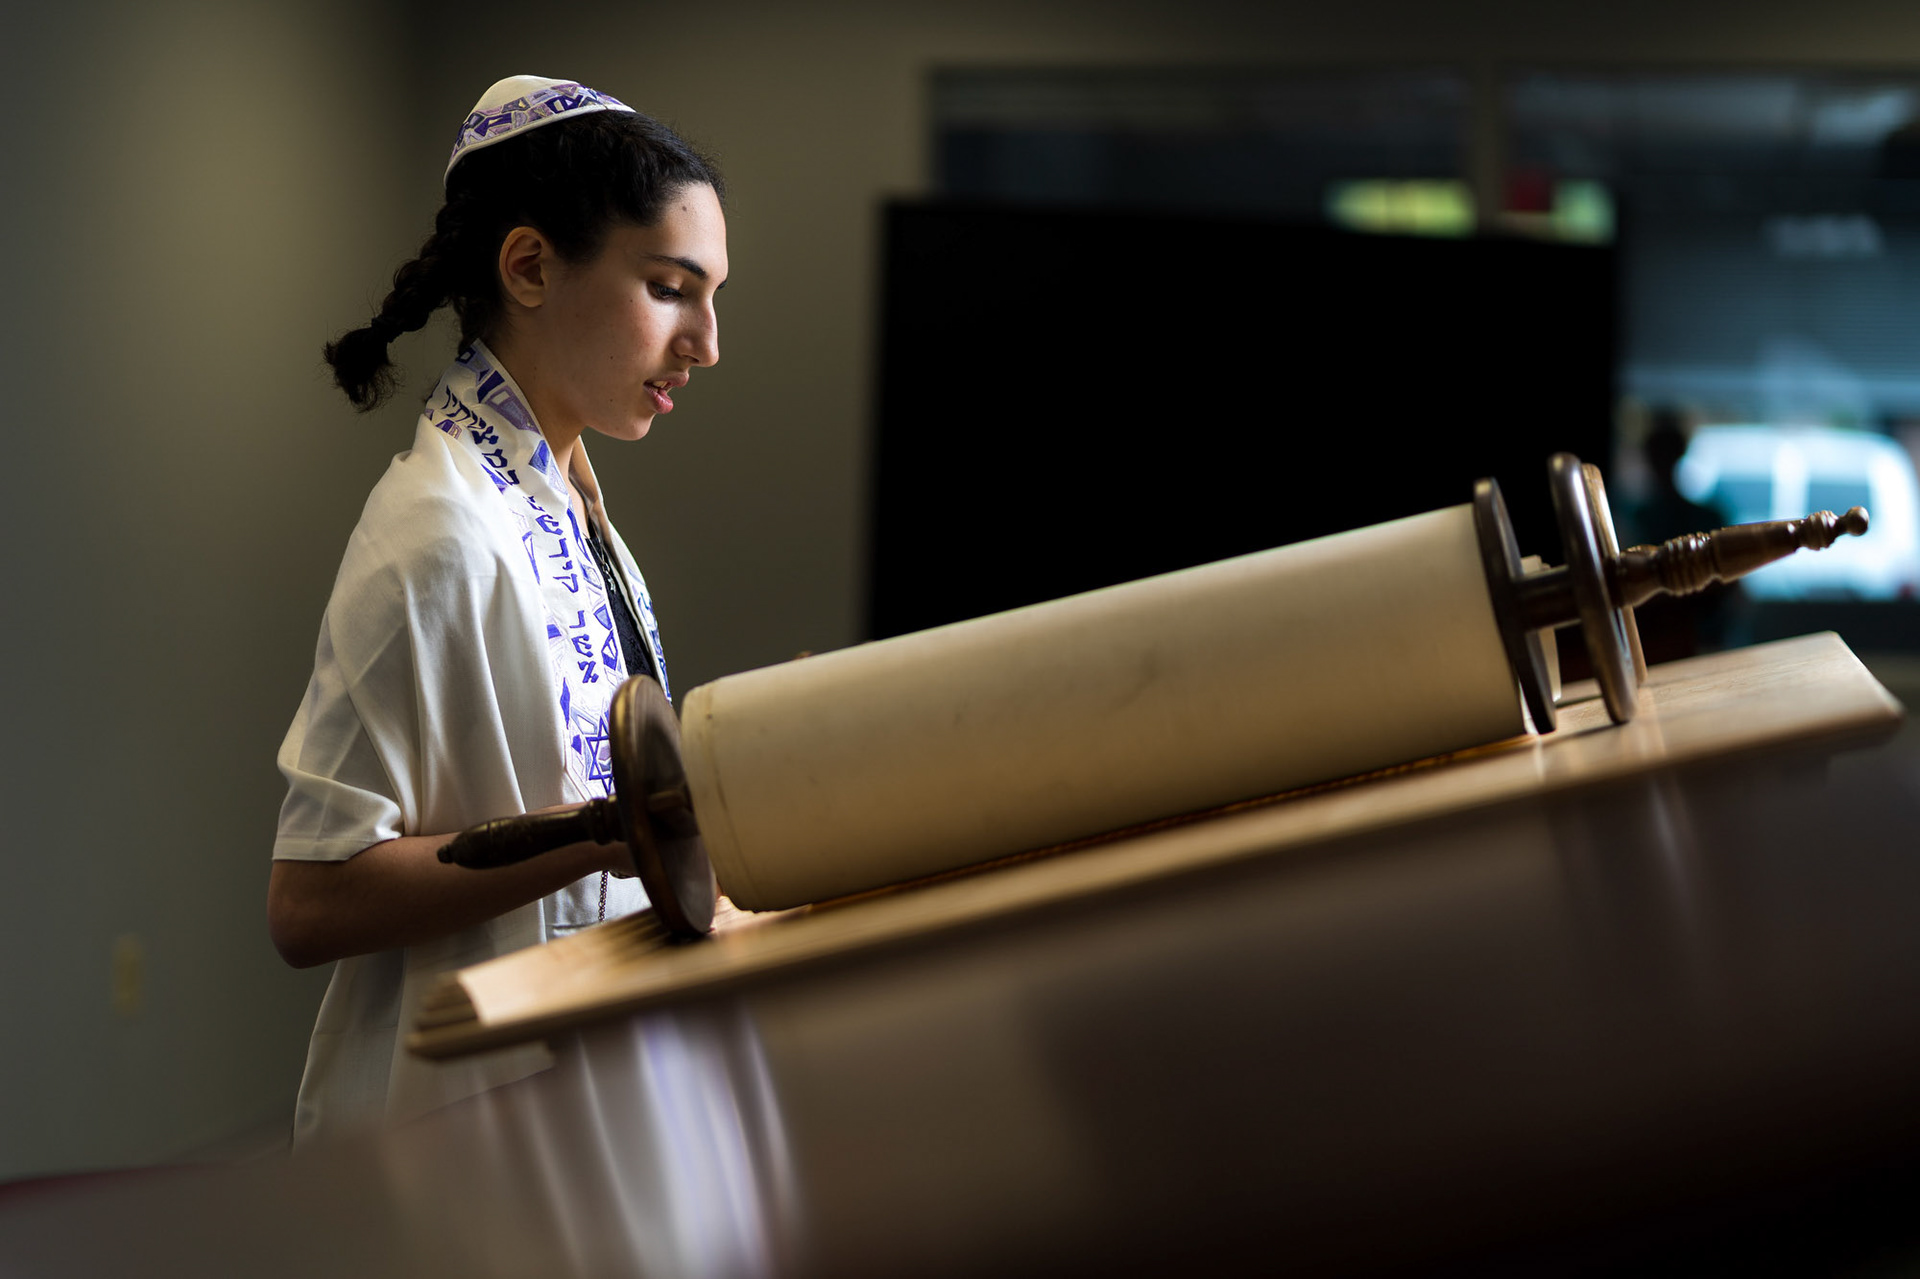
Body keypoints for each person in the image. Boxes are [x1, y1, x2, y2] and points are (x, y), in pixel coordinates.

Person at [267, 75, 726, 1145]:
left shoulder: (568, 506)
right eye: (671, 288)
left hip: (592, 1102)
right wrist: (613, 833)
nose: (707, 342)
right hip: (464, 1137)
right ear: (529, 266)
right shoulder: (438, 534)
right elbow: (309, 899)